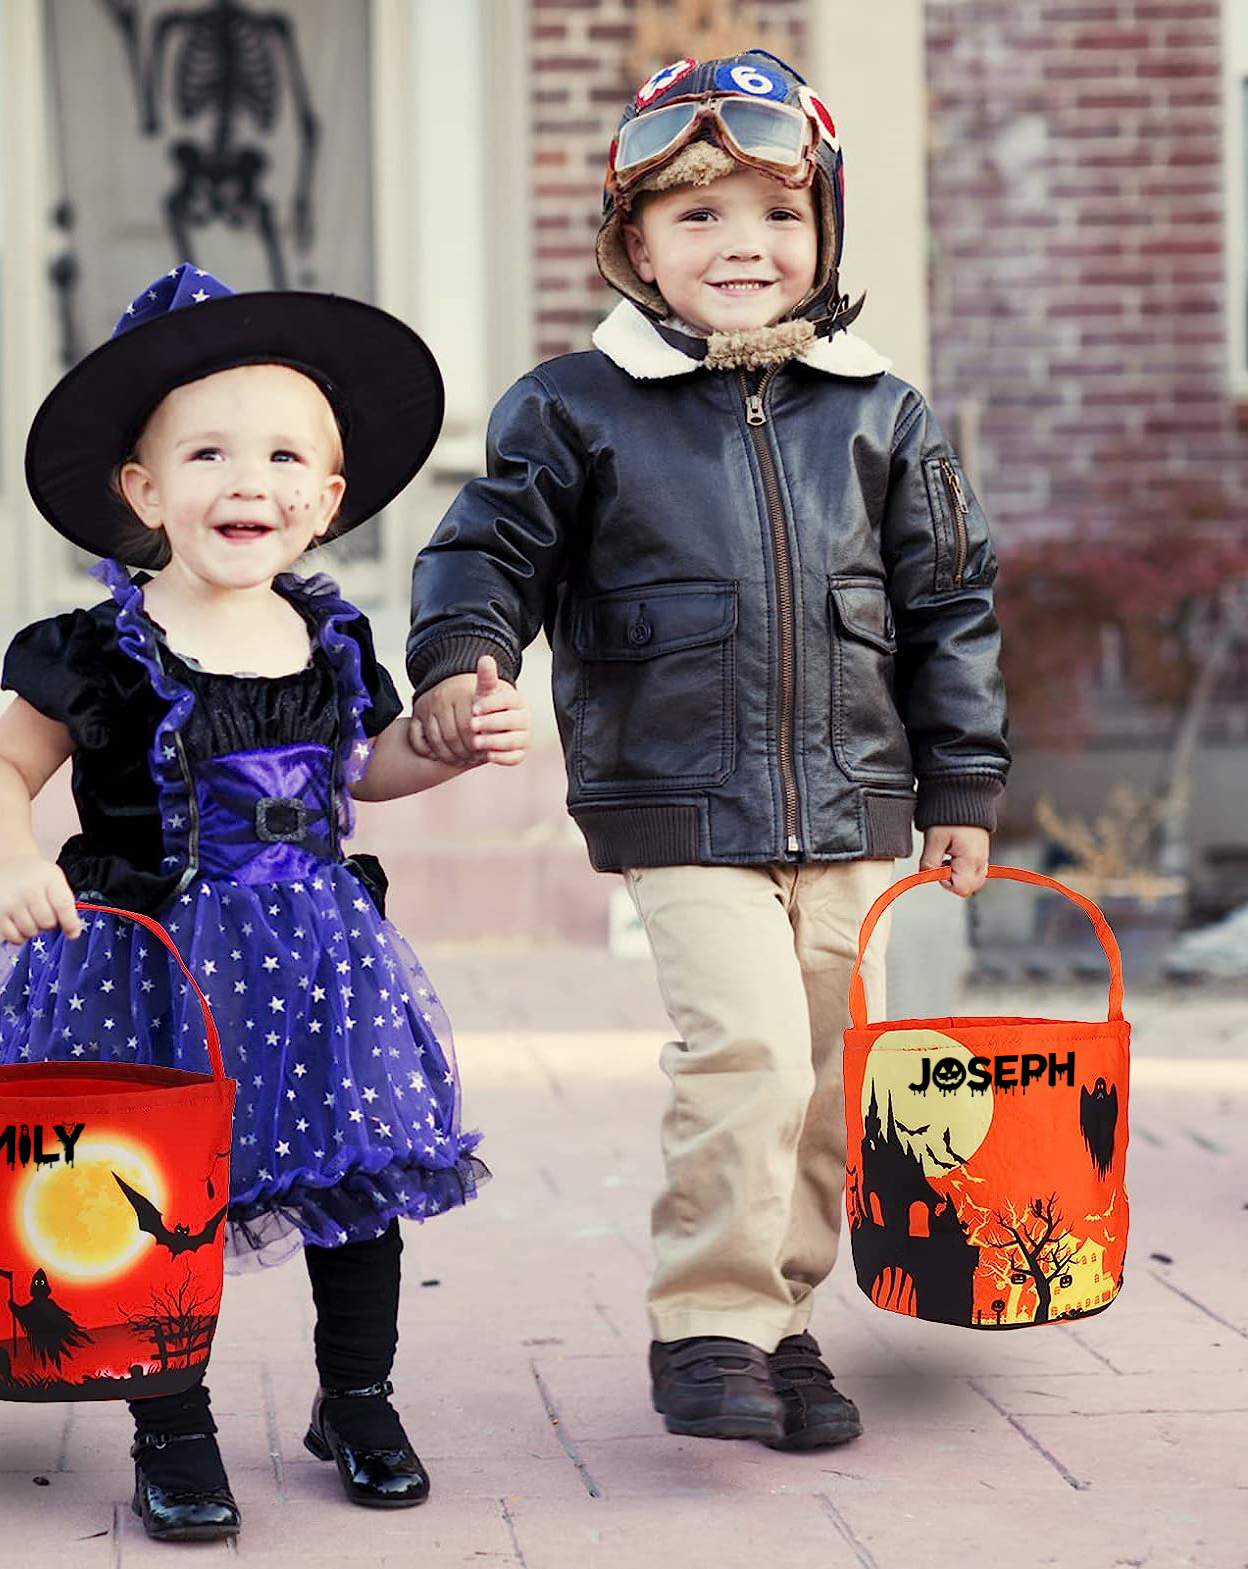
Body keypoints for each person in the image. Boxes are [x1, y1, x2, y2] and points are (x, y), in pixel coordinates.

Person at [407, 51, 1009, 1451]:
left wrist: (964, 778)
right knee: (740, 1046)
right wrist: (459, 659)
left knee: (814, 1077)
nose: (743, 244)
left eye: (777, 218)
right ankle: (708, 1325)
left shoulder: (881, 411)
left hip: (856, 796)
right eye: (697, 218)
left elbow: (948, 602)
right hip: (678, 791)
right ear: (632, 246)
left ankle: (782, 1321)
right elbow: (485, 548)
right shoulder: (574, 406)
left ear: (825, 237)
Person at [0, 264, 530, 1541]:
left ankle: (358, 1398)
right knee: (157, 1193)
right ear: (143, 492)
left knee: (361, 1174)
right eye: (207, 454)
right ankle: (172, 1424)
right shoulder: (97, 648)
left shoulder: (328, 639)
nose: (247, 482)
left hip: (321, 957)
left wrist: (439, 741)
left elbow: (364, 773)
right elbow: (2, 766)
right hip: (147, 960)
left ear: (325, 501)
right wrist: (11, 860)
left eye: (282, 457)